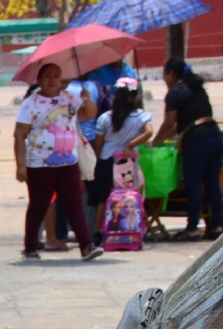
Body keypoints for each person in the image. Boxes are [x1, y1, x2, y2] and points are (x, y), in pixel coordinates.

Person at [15, 63, 101, 260]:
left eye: (56, 75)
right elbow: (20, 134)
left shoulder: (70, 99)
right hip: (39, 163)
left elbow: (88, 114)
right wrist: (20, 165)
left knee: (74, 203)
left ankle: (86, 246)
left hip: (68, 161)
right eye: (48, 76)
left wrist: (86, 99)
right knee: (39, 205)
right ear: (39, 80)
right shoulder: (30, 103)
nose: (52, 79)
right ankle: (30, 246)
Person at [154, 59, 222, 240]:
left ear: (171, 74)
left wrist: (155, 142)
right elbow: (185, 122)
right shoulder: (197, 87)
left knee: (194, 184)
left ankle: (192, 228)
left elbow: (169, 123)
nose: (164, 79)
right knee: (212, 183)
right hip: (215, 135)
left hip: (197, 141)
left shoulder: (174, 93)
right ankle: (217, 226)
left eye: (164, 74)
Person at [91, 77, 154, 243]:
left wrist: (95, 165)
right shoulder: (142, 117)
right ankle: (134, 229)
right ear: (135, 97)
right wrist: (131, 145)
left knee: (103, 199)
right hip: (130, 163)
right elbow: (149, 133)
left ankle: (98, 233)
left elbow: (98, 145)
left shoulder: (105, 118)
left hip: (107, 162)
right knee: (131, 196)